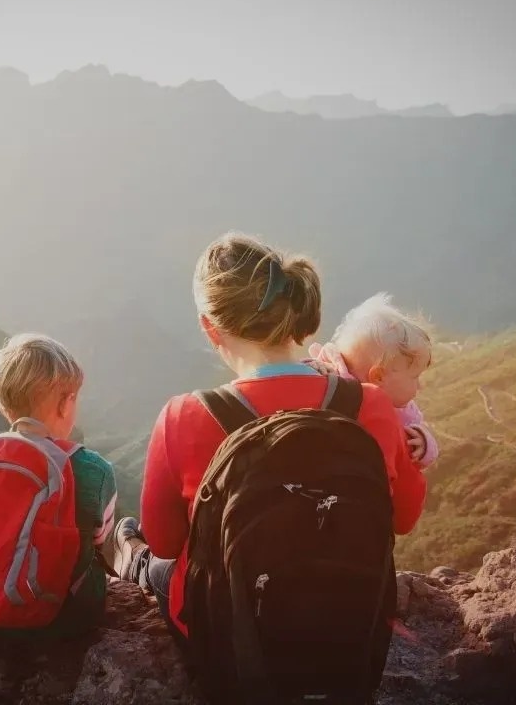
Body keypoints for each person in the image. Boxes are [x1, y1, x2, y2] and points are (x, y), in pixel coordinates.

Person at [110, 232, 427, 700]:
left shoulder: (186, 415)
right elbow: (403, 517)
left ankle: (124, 552)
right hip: (349, 638)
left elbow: (168, 540)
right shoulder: (373, 406)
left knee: (150, 555)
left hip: (230, 642)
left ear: (210, 327)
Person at [0, 333, 117, 638]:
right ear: (65, 404)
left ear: (3, 404)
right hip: (63, 615)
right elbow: (102, 543)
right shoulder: (93, 469)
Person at [307, 291, 439, 469]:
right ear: (379, 377)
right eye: (415, 377)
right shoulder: (332, 384)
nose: (420, 386)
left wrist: (424, 443)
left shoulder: (405, 413)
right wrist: (312, 367)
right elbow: (298, 383)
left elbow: (421, 446)